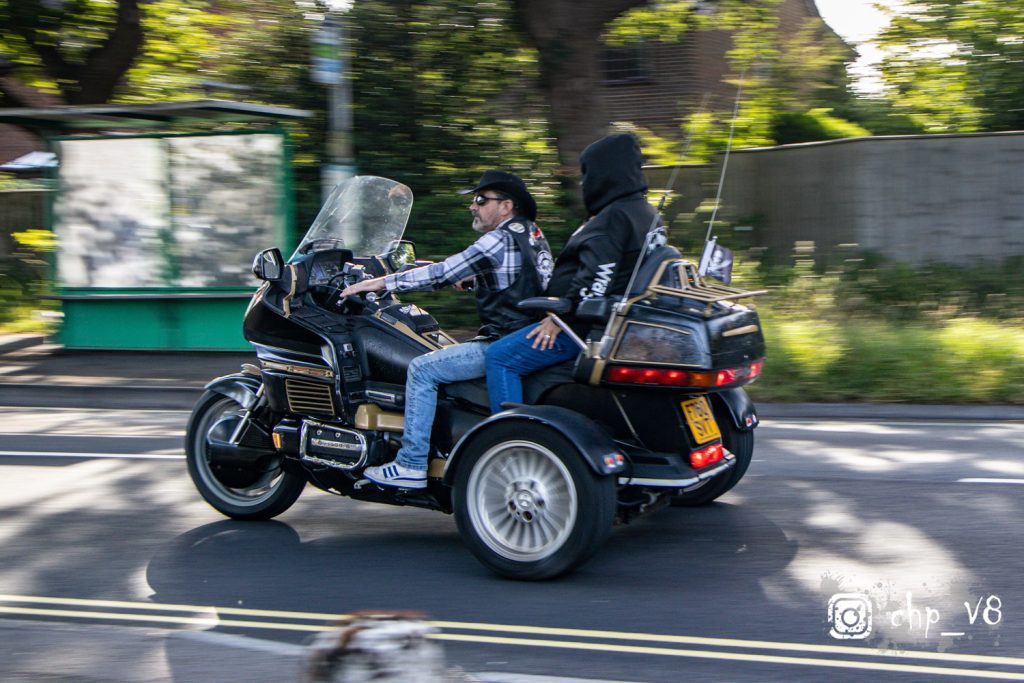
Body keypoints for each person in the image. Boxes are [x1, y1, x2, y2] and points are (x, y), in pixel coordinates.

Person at [339, 171, 553, 489]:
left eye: (481, 200)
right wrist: (474, 282)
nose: (473, 206)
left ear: (506, 205)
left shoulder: (497, 239)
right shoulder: (531, 234)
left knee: (423, 369)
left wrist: (380, 282)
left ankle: (410, 464)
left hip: (505, 339)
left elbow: (441, 272)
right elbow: (521, 283)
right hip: (530, 336)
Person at [484, 133, 657, 412]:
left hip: (581, 327)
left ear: (605, 172)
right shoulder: (646, 212)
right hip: (615, 321)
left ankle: (509, 435)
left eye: (586, 173)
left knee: (499, 356)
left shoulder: (614, 217)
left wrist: (559, 317)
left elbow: (597, 278)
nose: (582, 181)